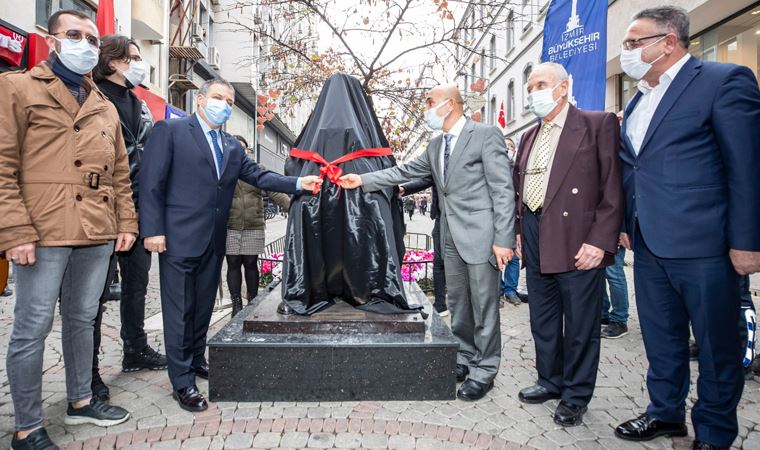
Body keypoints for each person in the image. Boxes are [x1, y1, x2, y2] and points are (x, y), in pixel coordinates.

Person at [613, 7, 760, 449]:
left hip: (706, 245)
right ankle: (666, 414)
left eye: (634, 42)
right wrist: (625, 224)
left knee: (717, 346)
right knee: (661, 339)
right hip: (649, 243)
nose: (627, 52)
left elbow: (747, 167)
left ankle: (714, 433)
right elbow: (634, 168)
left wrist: (747, 241)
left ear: (668, 42)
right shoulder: (639, 97)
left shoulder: (723, 81)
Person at [139, 78, 322, 413]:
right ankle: (181, 382)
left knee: (203, 306)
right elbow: (151, 182)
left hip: (213, 240)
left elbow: (260, 176)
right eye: (217, 97)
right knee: (179, 310)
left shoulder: (232, 146)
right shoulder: (171, 131)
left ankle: (195, 360)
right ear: (200, 100)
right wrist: (152, 229)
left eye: (228, 100)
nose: (223, 104)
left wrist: (298, 182)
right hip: (177, 239)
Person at [0, 10, 137, 450]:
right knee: (32, 326)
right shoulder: (17, 87)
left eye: (92, 40)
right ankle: (27, 426)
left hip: (95, 229)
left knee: (83, 319)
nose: (85, 44)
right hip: (42, 229)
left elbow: (119, 173)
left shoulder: (104, 105)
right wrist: (15, 230)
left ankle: (80, 401)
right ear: (53, 39)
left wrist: (126, 223)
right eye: (74, 35)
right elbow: (3, 167)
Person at [340, 84, 515, 401]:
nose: (426, 108)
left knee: (484, 307)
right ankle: (464, 357)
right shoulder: (437, 145)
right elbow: (404, 171)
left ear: (450, 104)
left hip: (482, 237)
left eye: (430, 102)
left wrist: (503, 239)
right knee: (459, 305)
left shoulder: (486, 135)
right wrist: (363, 179)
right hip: (449, 237)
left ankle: (485, 369)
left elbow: (503, 190)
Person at [513, 62, 623, 427]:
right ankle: (550, 380)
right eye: (530, 87)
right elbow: (519, 189)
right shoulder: (529, 136)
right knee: (542, 318)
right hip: (534, 234)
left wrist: (600, 240)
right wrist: (517, 233)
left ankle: (575, 395)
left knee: (579, 324)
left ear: (562, 87)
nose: (533, 93)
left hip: (578, 241)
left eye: (540, 84)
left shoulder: (596, 124)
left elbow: (612, 188)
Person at [88, 34, 168, 403]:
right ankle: (86, 370)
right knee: (93, 296)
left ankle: (135, 348)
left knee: (136, 286)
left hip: (137, 211)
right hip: (100, 212)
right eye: (134, 57)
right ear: (114, 61)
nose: (140, 63)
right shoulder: (91, 98)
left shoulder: (139, 103)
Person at [226, 135, 290, 317]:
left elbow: (276, 192)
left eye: (243, 148)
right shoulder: (223, 169)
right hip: (230, 226)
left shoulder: (256, 170)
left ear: (247, 151)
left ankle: (252, 300)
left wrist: (293, 209)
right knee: (232, 263)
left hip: (253, 225)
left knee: (251, 263)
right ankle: (236, 303)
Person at [600, 111, 630, 339]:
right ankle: (602, 313)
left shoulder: (624, 156)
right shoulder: (604, 152)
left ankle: (620, 318)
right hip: (598, 223)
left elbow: (623, 195)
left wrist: (622, 227)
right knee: (598, 271)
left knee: (614, 271)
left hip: (615, 223)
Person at [401, 180, 448, 317]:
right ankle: (440, 304)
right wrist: (402, 188)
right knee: (438, 263)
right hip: (441, 217)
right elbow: (426, 178)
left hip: (464, 217)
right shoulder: (437, 159)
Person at [501, 136, 521, 307]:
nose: (508, 149)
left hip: (515, 219)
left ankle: (510, 290)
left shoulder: (518, 167)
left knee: (514, 258)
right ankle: (497, 291)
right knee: (496, 257)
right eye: (505, 146)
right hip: (497, 218)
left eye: (511, 146)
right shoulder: (494, 167)